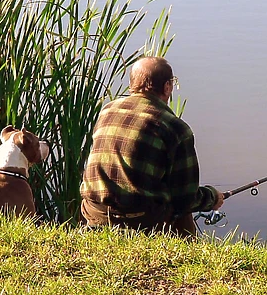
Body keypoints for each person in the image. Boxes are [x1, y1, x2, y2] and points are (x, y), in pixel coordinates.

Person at [80, 56, 224, 237]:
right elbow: (185, 198)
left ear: (132, 83)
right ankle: (186, 256)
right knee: (180, 208)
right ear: (166, 87)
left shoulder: (107, 110)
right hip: (140, 219)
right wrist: (212, 197)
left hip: (95, 211)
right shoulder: (176, 128)